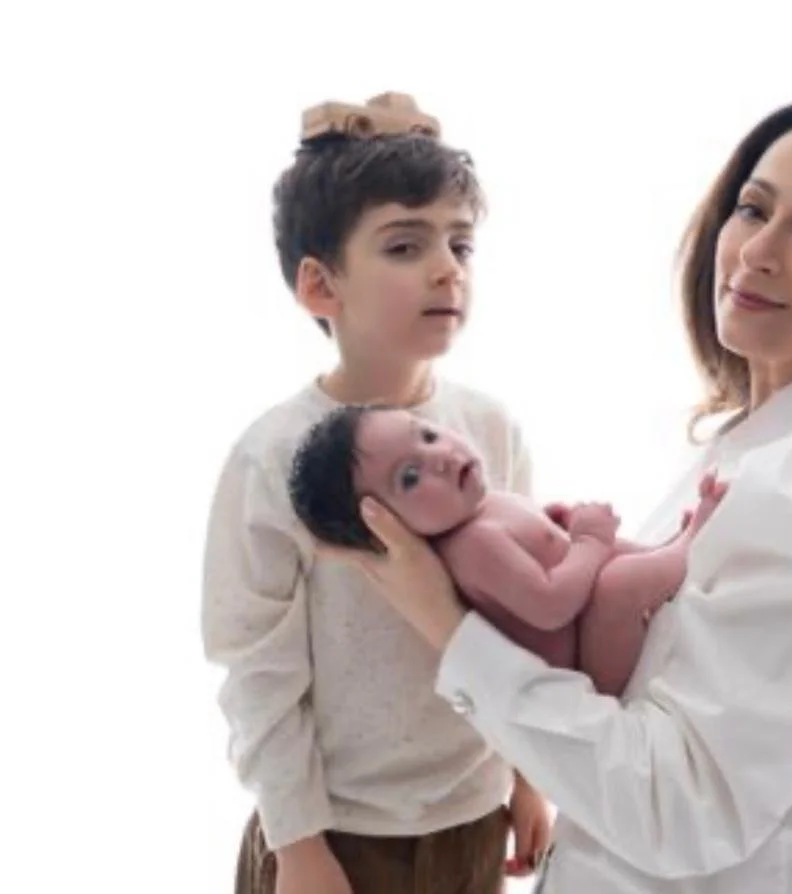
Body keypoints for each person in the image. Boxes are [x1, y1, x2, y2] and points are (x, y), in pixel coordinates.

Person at [319, 98, 792, 893]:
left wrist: (448, 629)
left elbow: (678, 806)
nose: (757, 251)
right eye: (752, 209)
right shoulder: (766, 444)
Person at [201, 95, 551, 894]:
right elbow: (257, 671)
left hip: (471, 821)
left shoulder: (488, 429)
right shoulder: (273, 456)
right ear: (320, 286)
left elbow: (523, 618)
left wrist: (529, 775)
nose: (447, 268)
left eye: (460, 243)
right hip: (334, 838)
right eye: (404, 245)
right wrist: (298, 846)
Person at [287, 404, 730, 697]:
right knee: (614, 583)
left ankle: (662, 551)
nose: (439, 457)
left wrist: (554, 530)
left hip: (593, 630)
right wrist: (588, 542)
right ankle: (688, 549)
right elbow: (551, 605)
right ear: (386, 526)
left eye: (427, 435)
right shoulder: (471, 545)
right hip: (594, 668)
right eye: (409, 477)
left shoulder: (485, 506)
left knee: (609, 562)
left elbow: (553, 561)